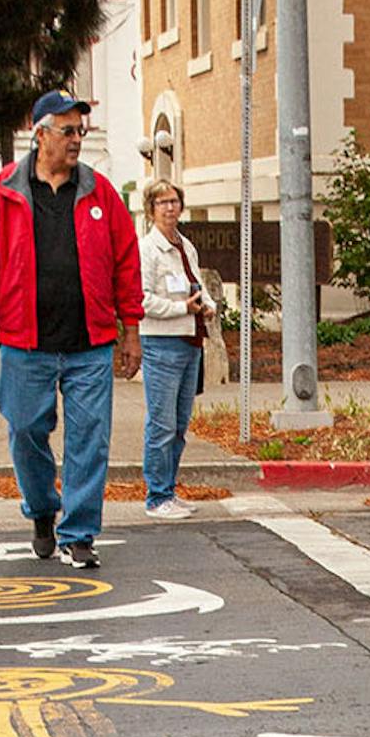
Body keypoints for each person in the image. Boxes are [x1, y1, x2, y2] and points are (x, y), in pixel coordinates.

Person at [0, 90, 142, 568]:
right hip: (26, 344)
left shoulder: (100, 192)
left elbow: (126, 262)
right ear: (40, 136)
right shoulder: (4, 191)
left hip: (90, 344)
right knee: (25, 430)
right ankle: (42, 508)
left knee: (90, 439)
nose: (77, 139)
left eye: (80, 130)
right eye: (67, 131)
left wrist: (132, 330)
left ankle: (80, 532)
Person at [135, 180, 216, 520]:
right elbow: (142, 299)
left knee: (181, 423)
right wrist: (182, 308)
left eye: (174, 201)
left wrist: (206, 305)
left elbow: (197, 284)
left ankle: (169, 487)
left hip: (190, 341)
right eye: (162, 202)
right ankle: (156, 496)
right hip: (161, 342)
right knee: (162, 423)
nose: (169, 208)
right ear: (151, 209)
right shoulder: (146, 249)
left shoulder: (186, 246)